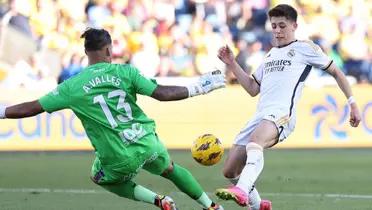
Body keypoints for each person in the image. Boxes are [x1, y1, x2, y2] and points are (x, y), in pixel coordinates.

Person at [0, 28, 225, 210]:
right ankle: (211, 206)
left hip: (117, 156)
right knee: (170, 170)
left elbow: (32, 108)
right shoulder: (126, 72)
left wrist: (1, 112)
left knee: (98, 176)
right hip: (146, 142)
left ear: (86, 52)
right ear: (108, 50)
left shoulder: (72, 86)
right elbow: (162, 94)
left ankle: (159, 200)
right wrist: (198, 87)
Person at [215, 4, 361, 210]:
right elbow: (252, 88)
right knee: (230, 171)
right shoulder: (270, 55)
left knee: (255, 143)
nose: (277, 30)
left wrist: (352, 103)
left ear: (294, 25)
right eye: (273, 26)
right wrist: (232, 63)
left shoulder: (305, 48)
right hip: (261, 115)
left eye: (282, 26)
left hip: (282, 114)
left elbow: (337, 72)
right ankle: (258, 205)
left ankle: (242, 190)